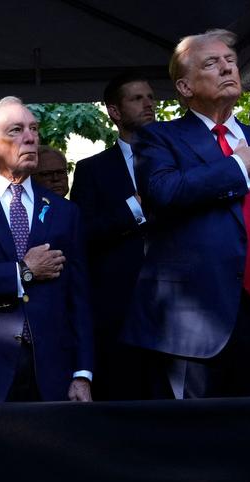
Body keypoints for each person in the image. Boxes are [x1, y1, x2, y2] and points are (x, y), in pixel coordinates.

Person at [123, 29, 250, 399]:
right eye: (212, 63)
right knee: (196, 439)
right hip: (197, 323)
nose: (227, 68)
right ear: (185, 87)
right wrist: (237, 167)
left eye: (231, 61)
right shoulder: (159, 138)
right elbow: (162, 192)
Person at [0, 96, 93, 402]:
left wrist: (82, 373)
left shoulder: (65, 212)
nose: (30, 137)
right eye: (15, 130)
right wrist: (22, 271)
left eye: (33, 129)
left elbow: (79, 297)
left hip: (52, 369)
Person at [69, 72, 155, 400]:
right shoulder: (93, 170)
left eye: (150, 97)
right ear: (115, 111)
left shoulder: (180, 159)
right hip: (121, 307)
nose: (149, 104)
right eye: (137, 98)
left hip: (180, 302)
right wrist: (134, 207)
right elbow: (84, 234)